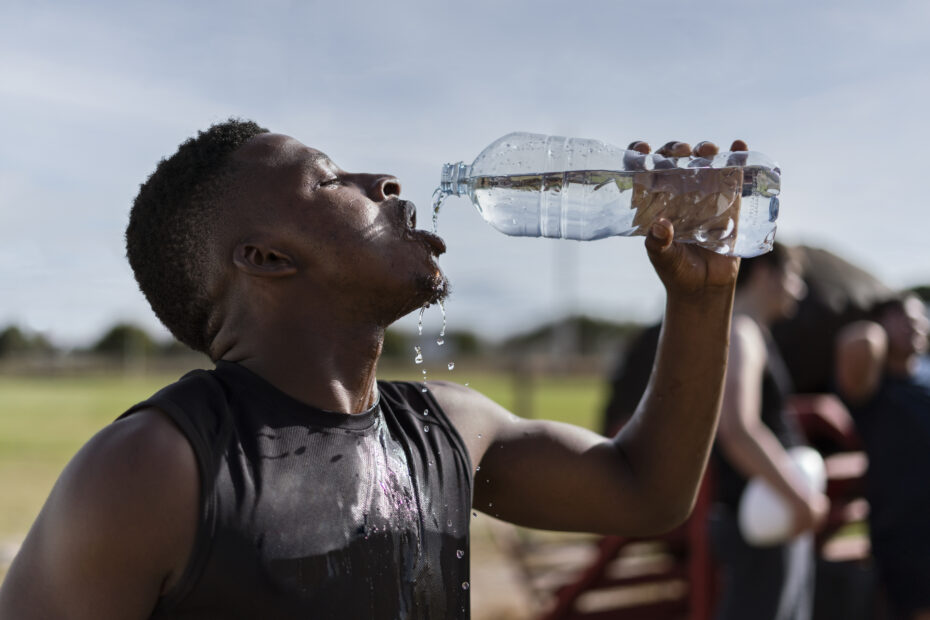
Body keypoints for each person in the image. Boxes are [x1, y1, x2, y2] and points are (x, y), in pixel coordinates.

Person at [0, 121, 741, 619]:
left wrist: (701, 301)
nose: (385, 181)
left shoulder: (450, 425)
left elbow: (647, 492)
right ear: (267, 258)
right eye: (329, 182)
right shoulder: (158, 468)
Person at [709, 243, 830, 620]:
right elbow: (737, 427)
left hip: (771, 511)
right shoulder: (743, 333)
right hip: (763, 516)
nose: (799, 290)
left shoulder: (750, 332)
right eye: (793, 277)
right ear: (764, 273)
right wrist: (800, 499)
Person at [835, 294, 930, 620]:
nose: (915, 324)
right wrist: (877, 332)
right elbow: (858, 341)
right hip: (904, 532)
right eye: (903, 317)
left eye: (921, 317)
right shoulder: (874, 386)